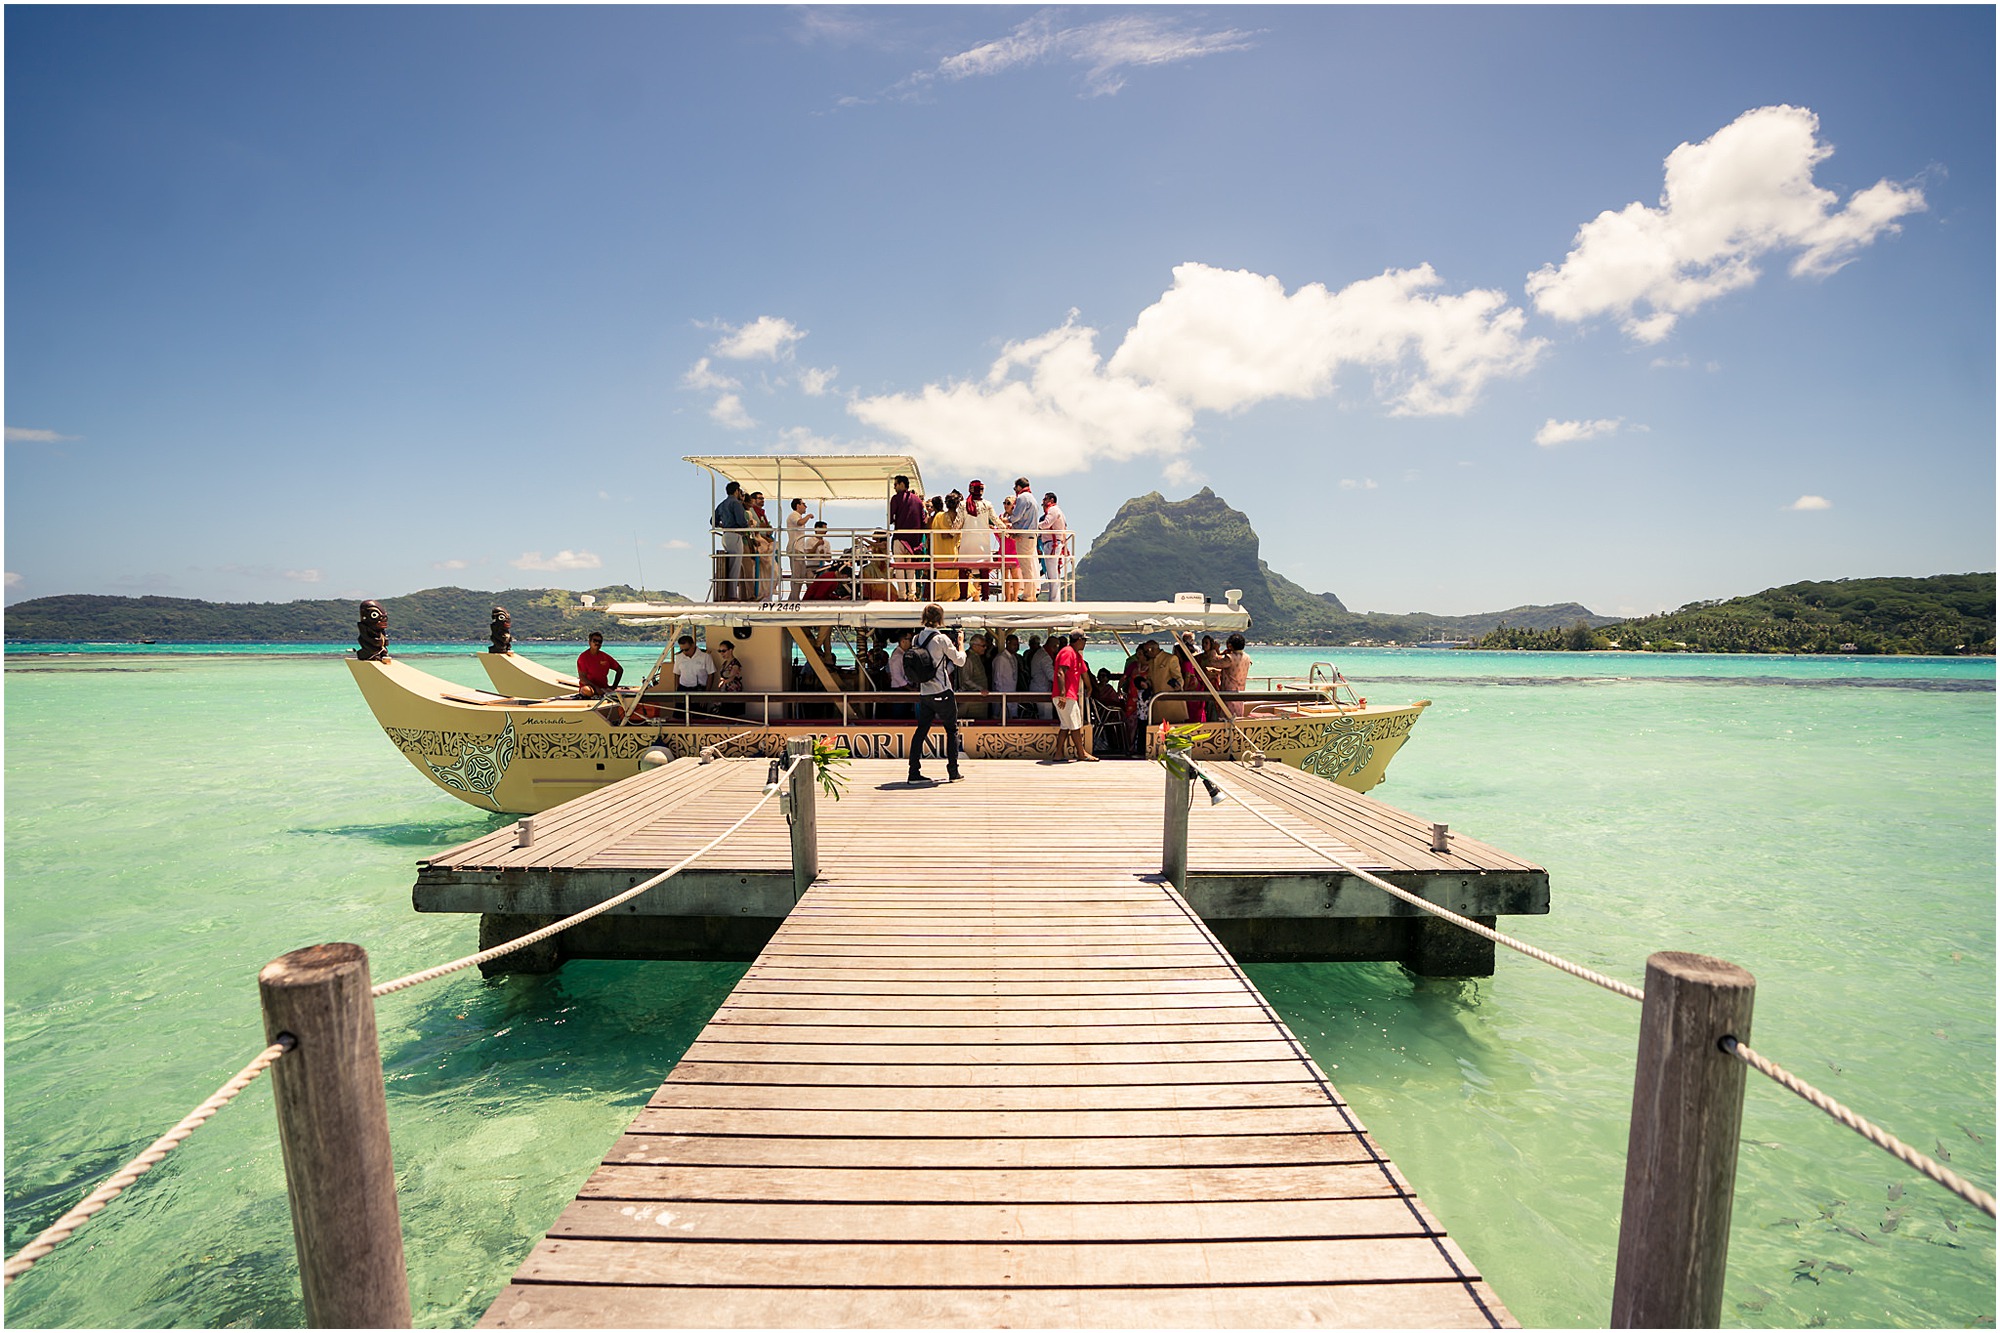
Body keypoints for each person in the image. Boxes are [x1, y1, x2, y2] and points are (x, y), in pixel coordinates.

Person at [907, 603, 967, 784]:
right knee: (951, 730)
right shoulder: (942, 640)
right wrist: (961, 644)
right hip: (942, 691)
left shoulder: (916, 639)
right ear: (940, 619)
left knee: (921, 730)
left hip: (925, 692)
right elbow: (959, 661)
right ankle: (953, 771)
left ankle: (914, 772)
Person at [1050, 632, 1098, 762]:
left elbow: (1084, 673)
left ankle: (1058, 753)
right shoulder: (1067, 652)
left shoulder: (1076, 654)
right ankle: (1081, 753)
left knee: (1065, 725)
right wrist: (1063, 694)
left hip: (1068, 695)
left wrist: (1090, 687)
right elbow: (1061, 672)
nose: (1085, 643)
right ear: (1078, 640)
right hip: (1066, 696)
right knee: (1075, 724)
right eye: (1084, 640)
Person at [888, 474, 927, 599]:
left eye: (895, 484)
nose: (894, 487)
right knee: (910, 568)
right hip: (913, 540)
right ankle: (912, 594)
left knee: (899, 567)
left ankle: (902, 595)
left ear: (902, 484)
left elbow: (890, 518)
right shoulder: (918, 501)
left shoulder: (896, 498)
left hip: (900, 537)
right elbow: (923, 521)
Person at [958, 481, 997, 598]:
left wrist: (950, 531)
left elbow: (957, 523)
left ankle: (963, 596)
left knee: (964, 570)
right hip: (982, 543)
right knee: (983, 570)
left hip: (967, 544)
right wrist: (1008, 532)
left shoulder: (963, 504)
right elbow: (996, 520)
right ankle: (985, 596)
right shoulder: (987, 505)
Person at [711, 481, 749, 601]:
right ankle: (732, 595)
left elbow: (713, 520)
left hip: (726, 535)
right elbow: (742, 522)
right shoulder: (736, 503)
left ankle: (728, 593)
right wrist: (748, 526)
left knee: (730, 564)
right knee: (735, 566)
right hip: (735, 535)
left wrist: (722, 524)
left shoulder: (722, 504)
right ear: (737, 491)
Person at [1005, 478, 1038, 601]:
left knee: (1025, 567)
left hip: (1024, 535)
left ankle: (1028, 596)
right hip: (1031, 535)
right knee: (1028, 566)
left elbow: (1017, 515)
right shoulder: (1031, 497)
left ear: (1019, 487)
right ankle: (1032, 594)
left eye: (1015, 488)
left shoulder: (1022, 498)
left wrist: (1007, 520)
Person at [929, 492, 964, 602]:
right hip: (953, 550)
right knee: (952, 574)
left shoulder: (940, 516)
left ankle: (943, 596)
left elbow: (941, 535)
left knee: (943, 573)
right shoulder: (960, 518)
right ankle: (951, 596)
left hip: (942, 551)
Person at [746, 492, 777, 600]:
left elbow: (766, 527)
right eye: (760, 498)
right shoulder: (750, 512)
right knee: (767, 568)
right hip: (757, 542)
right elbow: (753, 526)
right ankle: (762, 593)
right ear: (753, 500)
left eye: (763, 498)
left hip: (765, 540)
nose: (762, 500)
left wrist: (767, 531)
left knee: (770, 567)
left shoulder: (762, 513)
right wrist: (761, 527)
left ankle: (767, 592)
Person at [1038, 492, 1068, 601]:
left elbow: (1046, 523)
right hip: (1053, 542)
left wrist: (1036, 526)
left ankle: (1054, 600)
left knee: (1052, 573)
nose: (1043, 502)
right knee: (1053, 573)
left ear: (1051, 500)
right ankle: (1054, 599)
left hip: (1052, 543)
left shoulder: (1053, 510)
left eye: (1045, 499)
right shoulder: (1058, 510)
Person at [575, 632, 623, 698]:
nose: (597, 643)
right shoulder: (583, 657)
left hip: (604, 688)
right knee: (586, 690)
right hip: (591, 689)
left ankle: (603, 693)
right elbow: (583, 679)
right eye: (595, 641)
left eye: (600, 641)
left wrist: (614, 686)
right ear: (589, 642)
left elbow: (620, 669)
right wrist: (596, 688)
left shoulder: (604, 656)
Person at [785, 498, 816, 596]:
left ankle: (794, 597)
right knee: (797, 575)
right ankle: (793, 598)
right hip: (795, 549)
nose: (805, 506)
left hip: (800, 550)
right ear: (798, 505)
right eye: (803, 504)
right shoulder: (794, 515)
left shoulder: (796, 515)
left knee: (801, 575)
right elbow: (800, 522)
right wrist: (808, 516)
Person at [959, 630, 992, 719]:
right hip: (973, 701)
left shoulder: (977, 657)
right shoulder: (969, 658)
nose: (985, 648)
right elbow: (966, 679)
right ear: (974, 646)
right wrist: (980, 689)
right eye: (983, 646)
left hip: (980, 700)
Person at [1221, 632, 1253, 716]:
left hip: (1228, 693)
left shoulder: (1230, 658)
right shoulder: (1247, 657)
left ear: (1230, 645)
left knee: (1228, 718)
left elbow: (1213, 663)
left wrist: (1216, 651)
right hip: (1240, 692)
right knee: (1238, 716)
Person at [990, 630, 1021, 717]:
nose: (1016, 647)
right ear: (1008, 643)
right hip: (1002, 695)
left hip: (1012, 694)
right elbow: (997, 679)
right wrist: (1000, 697)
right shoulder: (1001, 658)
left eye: (1017, 645)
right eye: (1014, 644)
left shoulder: (1014, 658)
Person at [712, 639, 745, 718]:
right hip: (724, 691)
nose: (722, 653)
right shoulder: (725, 663)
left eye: (724, 651)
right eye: (719, 651)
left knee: (731, 713)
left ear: (730, 650)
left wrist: (723, 682)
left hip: (732, 691)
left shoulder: (735, 663)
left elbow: (732, 677)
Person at [1028, 634, 1057, 721]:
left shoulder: (1041, 652)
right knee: (1046, 717)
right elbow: (1051, 676)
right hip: (1041, 689)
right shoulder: (1045, 657)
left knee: (1043, 715)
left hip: (1037, 687)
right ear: (1054, 646)